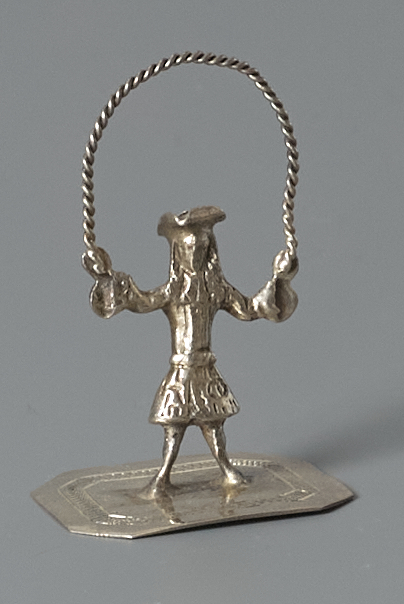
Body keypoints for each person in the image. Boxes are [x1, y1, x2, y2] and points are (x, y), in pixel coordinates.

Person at [82, 206, 298, 495]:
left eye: (200, 249)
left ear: (209, 252)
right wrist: (106, 278)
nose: (194, 255)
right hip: (182, 370)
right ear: (178, 253)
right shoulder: (173, 291)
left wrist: (279, 281)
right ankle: (163, 475)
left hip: (205, 368)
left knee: (214, 424)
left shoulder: (217, 290)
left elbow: (248, 309)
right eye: (188, 249)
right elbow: (141, 302)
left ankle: (227, 470)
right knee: (174, 427)